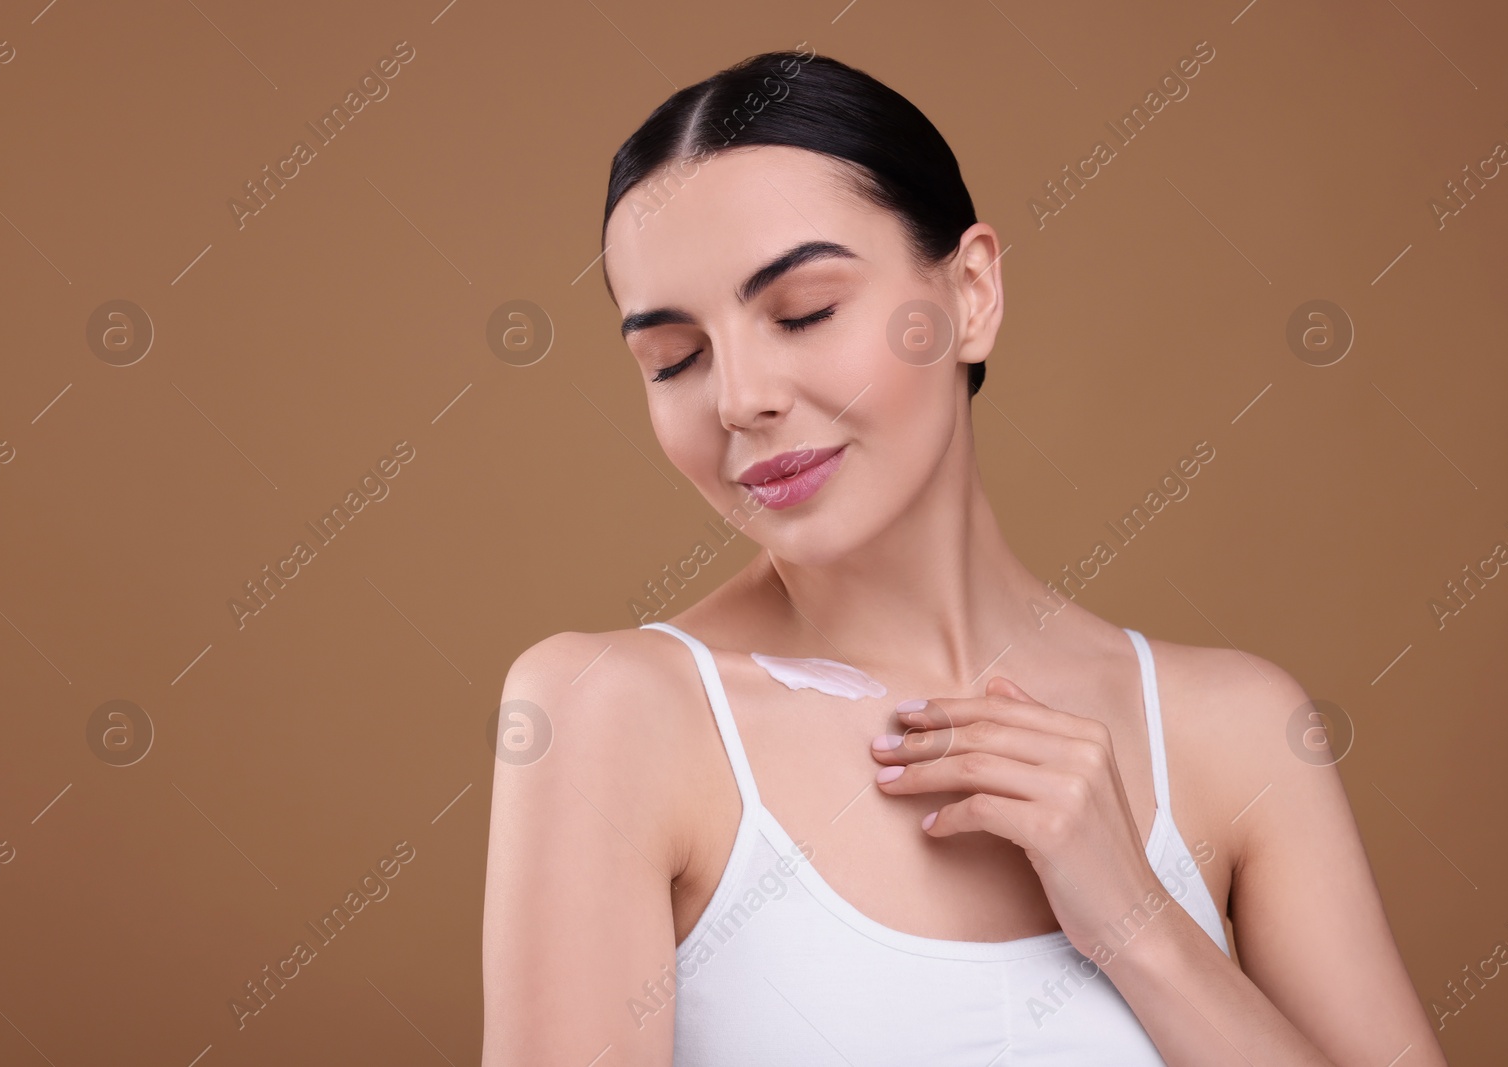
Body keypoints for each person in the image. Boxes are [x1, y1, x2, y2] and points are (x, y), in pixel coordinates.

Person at [482, 48, 1445, 1066]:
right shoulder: (609, 713)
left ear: (971, 294)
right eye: (673, 358)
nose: (738, 397)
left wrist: (1138, 921)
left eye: (804, 310)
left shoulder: (1235, 732)